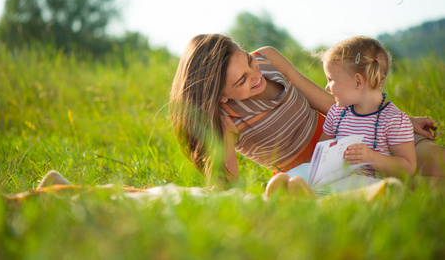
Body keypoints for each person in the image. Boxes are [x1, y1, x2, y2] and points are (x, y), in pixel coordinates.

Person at [169, 34, 443, 189]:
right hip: (312, 171)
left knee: (431, 159)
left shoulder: (267, 58)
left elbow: (327, 101)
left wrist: (402, 121)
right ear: (220, 95)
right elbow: (226, 186)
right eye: (242, 80)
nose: (255, 75)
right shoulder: (222, 115)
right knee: (402, 188)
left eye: (249, 62)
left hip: (349, 130)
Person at [266, 36, 418, 197]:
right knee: (299, 174)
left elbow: (408, 168)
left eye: (331, 79)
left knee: (384, 189)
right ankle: (287, 191)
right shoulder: (337, 113)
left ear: (358, 82)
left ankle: (307, 199)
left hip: (368, 184)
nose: (327, 86)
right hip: (336, 178)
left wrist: (371, 156)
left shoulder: (393, 120)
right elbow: (321, 153)